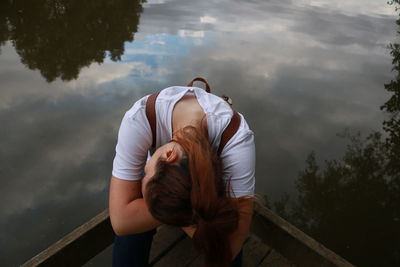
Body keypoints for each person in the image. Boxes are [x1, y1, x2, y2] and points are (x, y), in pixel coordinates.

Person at [109, 80, 255, 267]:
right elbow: (121, 223)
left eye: (146, 174)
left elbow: (229, 250)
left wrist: (180, 206)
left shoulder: (236, 139)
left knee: (228, 230)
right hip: (200, 204)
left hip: (205, 202)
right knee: (133, 219)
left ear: (169, 155)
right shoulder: (140, 118)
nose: (144, 172)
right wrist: (184, 207)